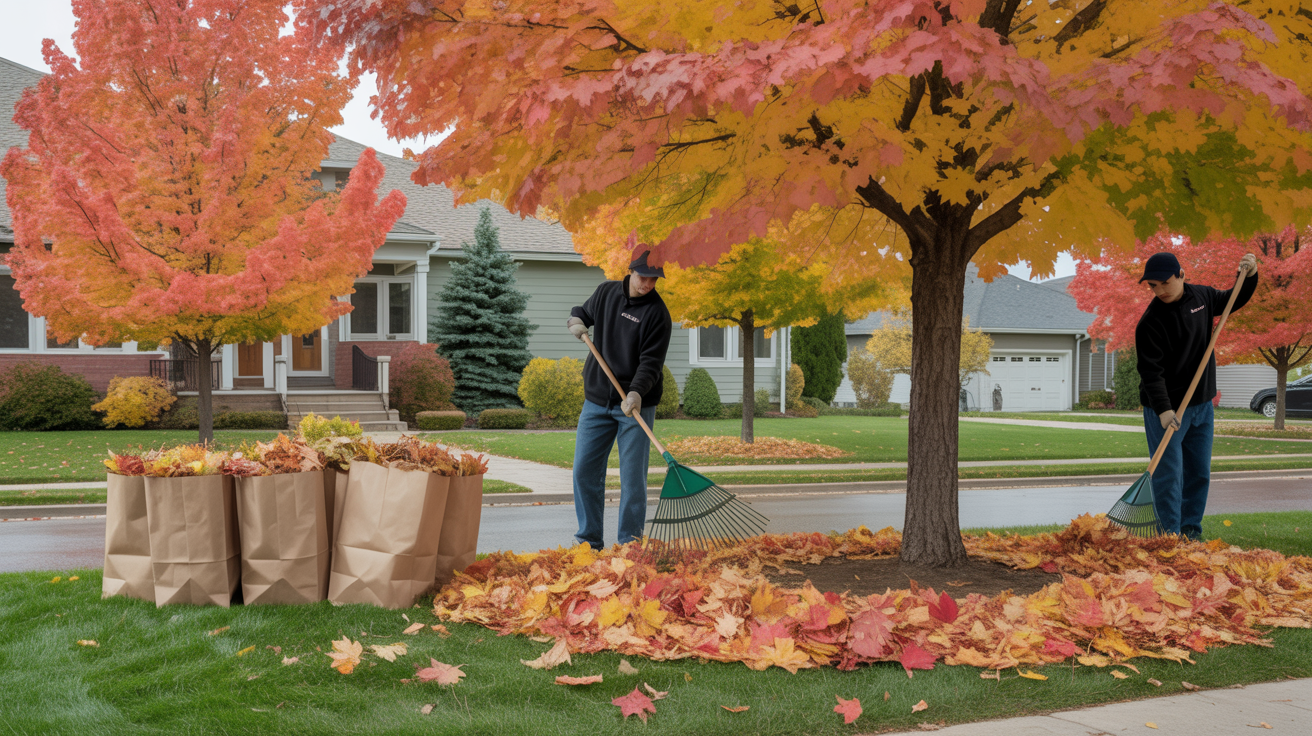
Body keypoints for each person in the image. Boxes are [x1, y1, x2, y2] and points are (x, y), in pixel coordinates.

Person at [1135, 251, 1257, 540]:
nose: (1159, 290)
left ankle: (1190, 532)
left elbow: (1233, 299)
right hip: (1166, 409)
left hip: (1202, 403)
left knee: (1199, 473)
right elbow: (1151, 373)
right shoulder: (1150, 323)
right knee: (1168, 476)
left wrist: (1250, 276)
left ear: (1181, 275)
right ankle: (1169, 536)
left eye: (1164, 282)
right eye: (1152, 285)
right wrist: (1164, 410)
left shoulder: (1202, 297)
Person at [565, 251, 673, 549]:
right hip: (597, 400)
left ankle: (630, 545)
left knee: (633, 480)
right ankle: (588, 541)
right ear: (631, 271)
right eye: (643, 277)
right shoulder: (606, 292)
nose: (648, 284)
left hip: (635, 405)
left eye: (654, 279)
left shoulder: (658, 315)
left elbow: (651, 363)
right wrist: (576, 320)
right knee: (584, 470)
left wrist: (636, 393)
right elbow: (583, 313)